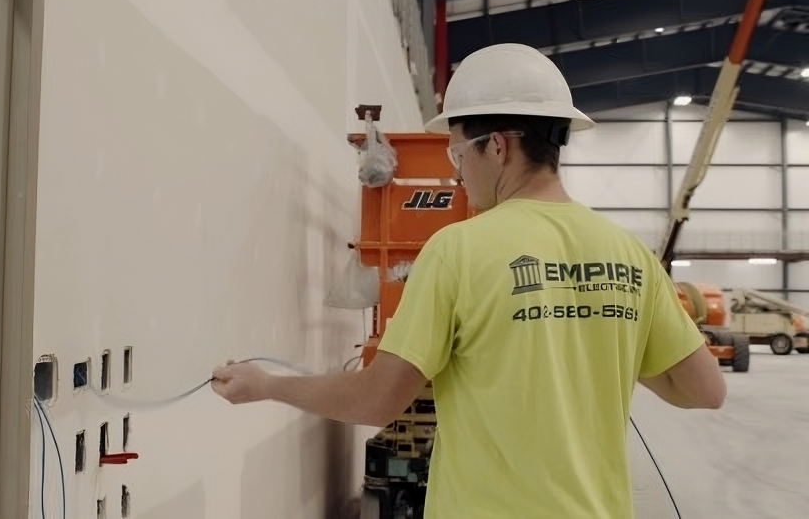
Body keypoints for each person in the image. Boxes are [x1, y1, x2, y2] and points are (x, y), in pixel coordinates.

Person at [211, 43, 726, 518]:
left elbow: (377, 400)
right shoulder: (630, 254)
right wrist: (602, 339)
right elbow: (706, 390)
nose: (457, 173)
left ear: (497, 146)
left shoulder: (459, 249)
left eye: (458, 154)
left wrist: (268, 385)